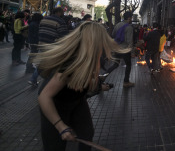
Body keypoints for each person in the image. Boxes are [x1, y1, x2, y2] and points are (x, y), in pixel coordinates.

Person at [35, 21, 117, 151]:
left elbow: (83, 86)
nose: (105, 45)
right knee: (55, 146)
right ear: (94, 42)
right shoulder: (71, 64)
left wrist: (99, 87)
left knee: (87, 133)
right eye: (102, 41)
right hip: (55, 105)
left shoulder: (93, 59)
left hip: (77, 102)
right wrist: (60, 126)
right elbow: (44, 97)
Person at [111, 11, 135, 88]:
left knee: (115, 65)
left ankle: (102, 77)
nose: (132, 19)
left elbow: (113, 35)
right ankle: (126, 82)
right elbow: (129, 41)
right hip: (125, 50)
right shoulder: (129, 27)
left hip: (117, 48)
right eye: (131, 17)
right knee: (128, 65)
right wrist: (132, 51)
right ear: (129, 18)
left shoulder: (117, 25)